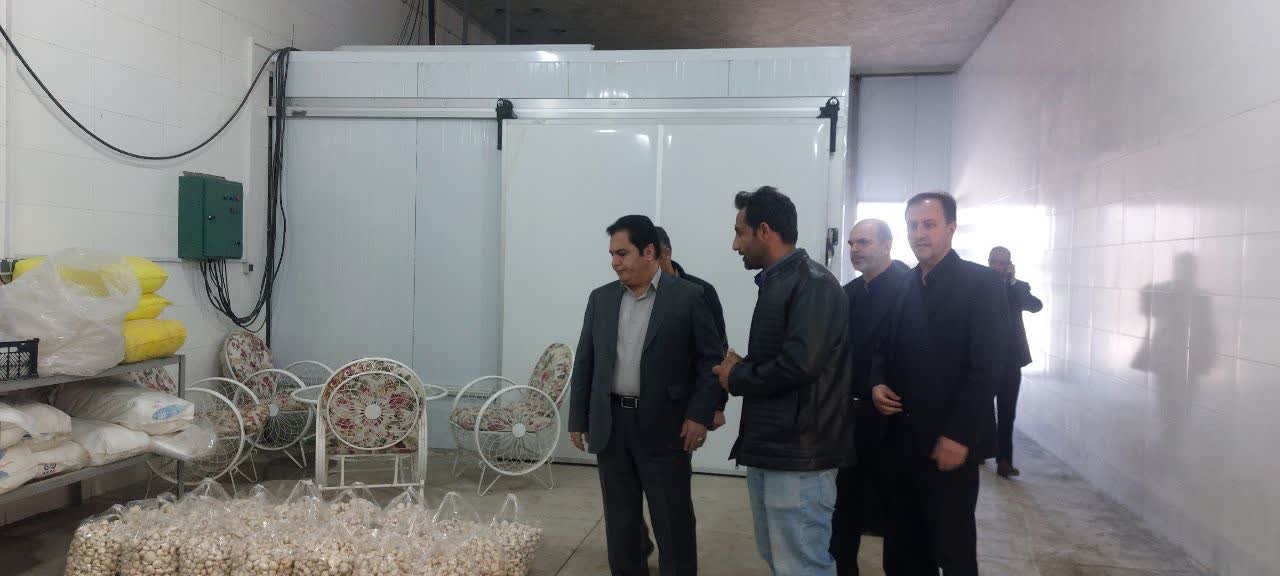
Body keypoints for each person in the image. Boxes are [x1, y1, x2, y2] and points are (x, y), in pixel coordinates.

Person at [567, 215, 724, 576]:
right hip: (612, 425)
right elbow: (586, 361)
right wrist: (579, 418)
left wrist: (700, 415)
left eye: (622, 253)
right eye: (612, 254)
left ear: (649, 252)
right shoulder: (602, 299)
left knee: (672, 521)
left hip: (666, 427)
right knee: (621, 524)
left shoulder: (688, 297)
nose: (614, 262)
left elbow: (710, 362)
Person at [712, 186, 853, 576]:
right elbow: (789, 359)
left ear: (764, 231)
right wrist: (744, 366)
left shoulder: (813, 284)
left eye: (739, 233)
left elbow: (799, 366)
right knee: (780, 559)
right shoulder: (778, 282)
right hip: (775, 448)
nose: (735, 245)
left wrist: (737, 375)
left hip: (800, 455)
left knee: (802, 564)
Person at [871, 192, 1008, 576]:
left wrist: (959, 436)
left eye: (929, 224)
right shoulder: (904, 283)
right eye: (912, 225)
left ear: (951, 227)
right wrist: (876, 383)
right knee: (903, 548)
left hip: (949, 445)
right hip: (901, 440)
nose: (919, 233)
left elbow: (986, 368)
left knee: (952, 548)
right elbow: (883, 346)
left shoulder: (981, 284)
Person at [830, 219, 912, 576]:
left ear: (887, 244)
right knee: (844, 508)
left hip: (893, 421)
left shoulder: (909, 288)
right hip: (851, 419)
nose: (855, 250)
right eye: (852, 243)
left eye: (864, 242)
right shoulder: (847, 293)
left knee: (896, 514)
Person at [986, 246, 1043, 478]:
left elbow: (1035, 306)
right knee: (981, 408)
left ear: (1009, 265)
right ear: (988, 262)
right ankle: (981, 450)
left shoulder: (1018, 287)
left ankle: (1004, 461)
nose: (998, 267)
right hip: (984, 358)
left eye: (1002, 263)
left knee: (1007, 411)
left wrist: (1012, 283)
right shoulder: (978, 285)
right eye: (994, 262)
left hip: (1010, 360)